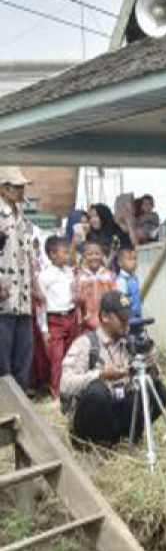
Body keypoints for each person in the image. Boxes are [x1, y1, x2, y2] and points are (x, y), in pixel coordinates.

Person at [60, 291, 166, 447]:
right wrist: (100, 375)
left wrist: (150, 368)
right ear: (105, 316)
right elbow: (65, 384)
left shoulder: (130, 343)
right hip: (92, 419)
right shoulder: (86, 344)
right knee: (97, 392)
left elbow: (151, 385)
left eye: (128, 318)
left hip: (118, 413)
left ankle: (126, 437)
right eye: (122, 319)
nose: (127, 323)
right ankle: (97, 444)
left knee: (159, 391)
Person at [0, 167, 41, 392]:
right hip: (3, 302)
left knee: (24, 355)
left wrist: (36, 286)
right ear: (4, 188)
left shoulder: (22, 219)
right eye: (16, 186)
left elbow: (29, 258)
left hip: (22, 300)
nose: (21, 190)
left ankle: (21, 405)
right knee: (2, 359)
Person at [38, 235, 77, 408]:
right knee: (57, 358)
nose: (67, 256)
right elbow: (41, 304)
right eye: (64, 252)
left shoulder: (69, 272)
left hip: (71, 316)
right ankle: (56, 393)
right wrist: (44, 329)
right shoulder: (44, 276)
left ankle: (71, 391)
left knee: (72, 356)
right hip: (54, 319)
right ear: (53, 254)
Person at [73, 241, 117, 332]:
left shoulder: (109, 275)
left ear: (102, 256)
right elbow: (77, 301)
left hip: (106, 321)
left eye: (97, 254)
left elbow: (115, 296)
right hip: (87, 323)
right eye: (90, 254)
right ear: (84, 256)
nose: (94, 257)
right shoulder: (80, 277)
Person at [114, 247, 143, 319]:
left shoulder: (134, 278)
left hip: (137, 316)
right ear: (120, 263)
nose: (133, 262)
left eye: (135, 259)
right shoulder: (121, 280)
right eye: (130, 259)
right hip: (128, 318)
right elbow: (122, 300)